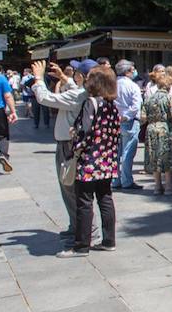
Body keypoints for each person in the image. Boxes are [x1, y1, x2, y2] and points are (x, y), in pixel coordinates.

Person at [61, 65, 122, 257]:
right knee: (105, 198)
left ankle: (81, 246)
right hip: (107, 159)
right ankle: (109, 240)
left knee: (84, 201)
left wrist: (75, 142)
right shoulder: (112, 105)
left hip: (89, 160)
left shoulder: (91, 103)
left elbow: (85, 131)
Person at [32, 59, 93, 244]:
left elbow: (45, 98)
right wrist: (64, 78)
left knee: (70, 188)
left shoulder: (78, 95)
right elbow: (76, 90)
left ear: (81, 76)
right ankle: (77, 226)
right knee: (72, 188)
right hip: (72, 143)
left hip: (69, 144)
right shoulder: (84, 92)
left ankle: (83, 230)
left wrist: (38, 79)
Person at [141, 71, 172, 194]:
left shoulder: (149, 98)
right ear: (169, 85)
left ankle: (157, 186)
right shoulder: (170, 98)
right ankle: (169, 187)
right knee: (168, 157)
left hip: (151, 129)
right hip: (166, 129)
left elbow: (142, 118)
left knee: (154, 157)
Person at [112, 60, 143, 190]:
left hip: (114, 121)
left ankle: (115, 179)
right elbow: (136, 106)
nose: (134, 71)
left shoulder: (112, 85)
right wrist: (126, 116)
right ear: (127, 71)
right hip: (129, 121)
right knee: (128, 152)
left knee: (115, 152)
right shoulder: (132, 86)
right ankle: (127, 180)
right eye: (132, 69)